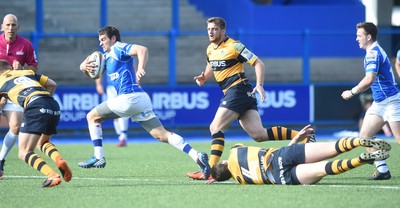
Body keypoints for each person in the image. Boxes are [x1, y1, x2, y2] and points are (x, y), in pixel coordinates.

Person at [188, 17, 314, 180]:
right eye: (209, 29)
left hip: (238, 90)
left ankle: (209, 171)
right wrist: (204, 77)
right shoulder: (210, 49)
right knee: (258, 134)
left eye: (214, 29)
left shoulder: (235, 46)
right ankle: (305, 136)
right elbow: (211, 64)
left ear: (223, 31)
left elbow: (258, 63)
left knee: (215, 127)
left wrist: (260, 84)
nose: (211, 32)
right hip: (239, 94)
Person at [78, 25, 211, 178]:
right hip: (141, 99)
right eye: (100, 40)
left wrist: (140, 67)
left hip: (128, 98)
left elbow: (142, 49)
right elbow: (91, 70)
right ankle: (197, 156)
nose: (101, 43)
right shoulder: (106, 57)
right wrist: (82, 66)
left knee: (92, 116)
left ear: (113, 39)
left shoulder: (118, 48)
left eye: (103, 40)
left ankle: (98, 156)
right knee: (162, 135)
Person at [209, 125, 391, 185]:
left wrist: (216, 177)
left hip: (281, 177)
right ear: (224, 163)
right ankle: (360, 141)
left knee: (324, 169)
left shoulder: (240, 180)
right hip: (282, 155)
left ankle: (360, 160)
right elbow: (254, 152)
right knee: (333, 147)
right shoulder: (235, 151)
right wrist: (295, 140)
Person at [341, 22, 400, 180]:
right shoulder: (372, 52)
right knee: (365, 137)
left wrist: (351, 92)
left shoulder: (373, 53)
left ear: (368, 36)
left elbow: (369, 79)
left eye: (359, 36)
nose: (356, 39)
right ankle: (382, 170)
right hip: (380, 103)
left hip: (392, 102)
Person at [0, 59, 71, 187]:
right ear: (9, 68)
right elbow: (52, 84)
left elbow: (2, 103)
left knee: (24, 152)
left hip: (35, 106)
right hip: (52, 103)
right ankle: (58, 159)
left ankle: (52, 175)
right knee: (43, 142)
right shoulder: (26, 72)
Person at [0, 14, 38, 179]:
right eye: (7, 25)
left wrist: (22, 67)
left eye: (13, 25)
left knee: (15, 126)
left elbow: (34, 69)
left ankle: (0, 160)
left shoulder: (26, 45)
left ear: (18, 26)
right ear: (2, 26)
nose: (10, 28)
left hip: (13, 94)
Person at [95, 77, 129, 147]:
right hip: (111, 87)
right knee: (114, 112)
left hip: (124, 85)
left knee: (122, 110)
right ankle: (121, 137)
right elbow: (99, 70)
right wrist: (98, 84)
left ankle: (123, 137)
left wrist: (137, 82)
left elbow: (134, 68)